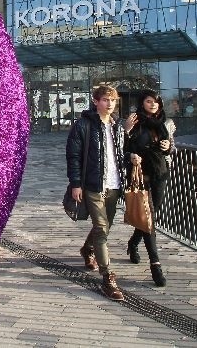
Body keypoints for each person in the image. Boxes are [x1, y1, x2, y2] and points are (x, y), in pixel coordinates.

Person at [66, 85, 127, 300]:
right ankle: (108, 277)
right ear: (95, 101)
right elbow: (73, 156)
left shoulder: (117, 125)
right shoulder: (83, 125)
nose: (109, 104)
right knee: (101, 229)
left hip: (115, 185)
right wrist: (76, 184)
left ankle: (86, 249)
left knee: (105, 227)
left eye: (113, 100)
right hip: (93, 185)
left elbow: (121, 155)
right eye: (105, 100)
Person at [123, 89, 176, 287]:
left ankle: (133, 242)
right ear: (142, 103)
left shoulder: (166, 123)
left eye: (156, 101)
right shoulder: (134, 120)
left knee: (153, 214)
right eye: (149, 101)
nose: (153, 104)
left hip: (160, 171)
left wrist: (167, 147)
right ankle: (156, 264)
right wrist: (127, 133)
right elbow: (122, 146)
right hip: (140, 172)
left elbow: (173, 147)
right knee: (148, 215)